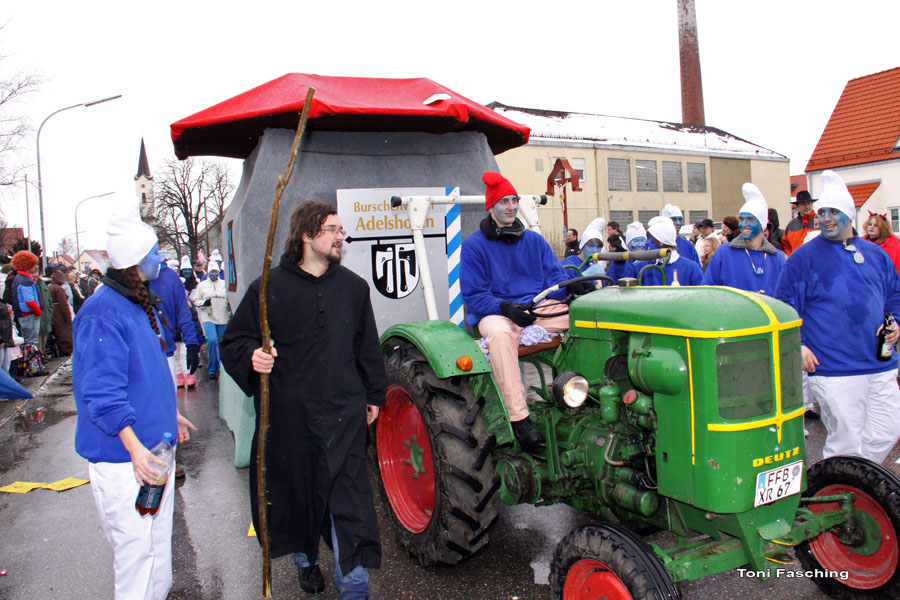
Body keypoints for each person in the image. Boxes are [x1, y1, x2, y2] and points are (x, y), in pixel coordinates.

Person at [220, 201, 385, 598]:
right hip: (289, 416)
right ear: (308, 236)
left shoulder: (354, 287)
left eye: (341, 230)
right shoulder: (267, 288)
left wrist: (374, 395)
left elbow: (367, 348)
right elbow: (234, 342)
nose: (339, 237)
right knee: (298, 496)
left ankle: (355, 588)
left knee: (350, 503)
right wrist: (253, 356)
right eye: (332, 229)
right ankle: (305, 559)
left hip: (344, 414)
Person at [73, 202, 196, 599]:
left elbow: (145, 374)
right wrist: (135, 449)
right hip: (127, 460)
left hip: (153, 451)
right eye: (155, 252)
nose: (161, 258)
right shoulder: (101, 313)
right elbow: (102, 392)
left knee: (157, 547)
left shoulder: (135, 303)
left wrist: (169, 414)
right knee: (136, 556)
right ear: (135, 262)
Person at [774, 170, 900, 464]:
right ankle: (839, 497)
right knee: (845, 441)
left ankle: (853, 482)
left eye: (834, 211)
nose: (827, 218)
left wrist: (896, 323)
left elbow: (894, 294)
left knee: (887, 430)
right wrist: (799, 344)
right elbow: (783, 306)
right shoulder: (804, 258)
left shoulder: (876, 254)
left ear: (849, 214)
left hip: (880, 363)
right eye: (822, 212)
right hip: (833, 367)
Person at [461, 171, 582, 451]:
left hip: (536, 307)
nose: (511, 207)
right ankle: (519, 419)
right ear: (491, 207)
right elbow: (475, 296)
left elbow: (555, 281)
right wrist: (504, 307)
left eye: (513, 200)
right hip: (498, 312)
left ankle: (579, 391)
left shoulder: (535, 242)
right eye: (503, 201)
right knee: (500, 336)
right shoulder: (474, 247)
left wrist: (573, 291)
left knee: (584, 319)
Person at [702, 183, 786, 295]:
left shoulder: (777, 258)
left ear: (762, 224)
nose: (744, 224)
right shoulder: (724, 253)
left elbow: (786, 297)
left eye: (751, 219)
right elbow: (707, 291)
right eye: (741, 219)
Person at [148, 257, 201, 389]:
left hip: (166, 353)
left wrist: (192, 345)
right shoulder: (125, 280)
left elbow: (183, 313)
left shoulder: (169, 277)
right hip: (137, 357)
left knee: (168, 405)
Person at [632, 217, 703, 286]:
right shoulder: (642, 266)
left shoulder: (691, 268)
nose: (646, 243)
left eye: (651, 239)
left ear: (662, 242)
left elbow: (701, 295)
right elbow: (625, 273)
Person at [192, 261, 229, 380]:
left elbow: (229, 298)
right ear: (208, 272)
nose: (214, 274)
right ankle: (212, 369)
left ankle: (223, 368)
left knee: (222, 343)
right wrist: (204, 303)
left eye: (216, 272)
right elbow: (196, 301)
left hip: (222, 317)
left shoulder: (224, 284)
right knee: (212, 341)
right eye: (212, 272)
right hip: (208, 317)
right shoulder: (202, 285)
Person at [863, 211, 900, 277]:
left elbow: (895, 270)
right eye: (870, 224)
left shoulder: (892, 246)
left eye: (876, 225)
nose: (872, 227)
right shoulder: (860, 243)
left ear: (882, 228)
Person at [781, 190, 816, 256]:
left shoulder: (819, 221)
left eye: (809, 203)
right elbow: (785, 243)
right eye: (803, 204)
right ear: (797, 206)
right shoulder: (792, 224)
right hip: (796, 263)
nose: (807, 206)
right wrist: (791, 256)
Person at [48, 269, 74, 355]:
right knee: (64, 332)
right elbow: (63, 304)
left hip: (53, 312)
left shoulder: (50, 287)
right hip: (59, 313)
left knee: (58, 332)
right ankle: (66, 350)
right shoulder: (59, 289)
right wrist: (68, 317)